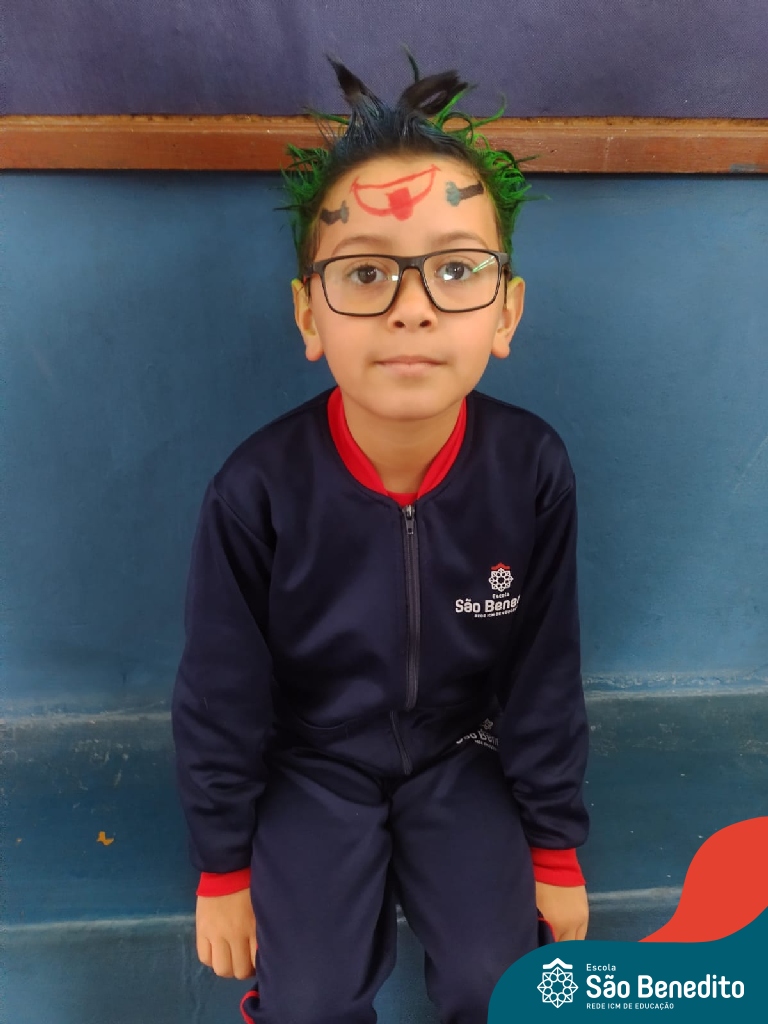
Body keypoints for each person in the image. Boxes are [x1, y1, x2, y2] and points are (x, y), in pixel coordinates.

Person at [171, 50, 590, 1024]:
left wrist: (557, 848)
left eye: (456, 269)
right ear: (308, 315)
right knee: (311, 999)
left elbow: (545, 671)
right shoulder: (256, 490)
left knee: (500, 982)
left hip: (463, 756)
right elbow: (220, 692)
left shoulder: (532, 469)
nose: (412, 307)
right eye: (366, 273)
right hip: (311, 765)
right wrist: (223, 868)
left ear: (506, 313)